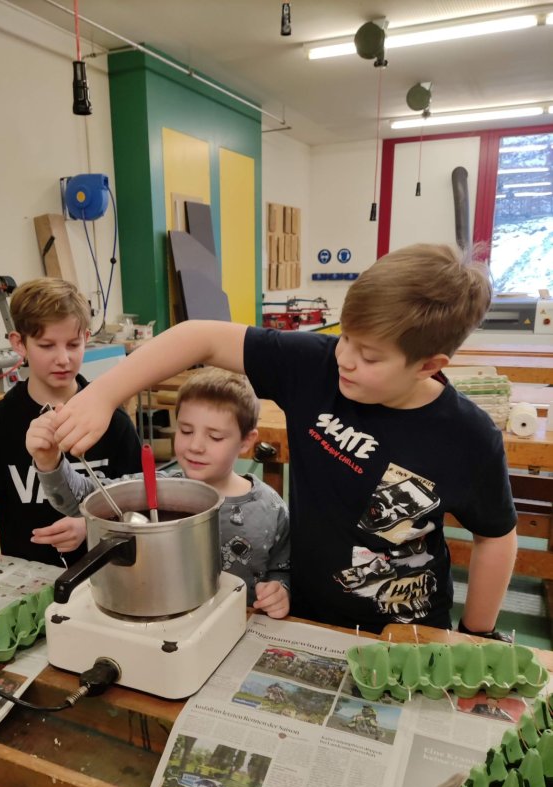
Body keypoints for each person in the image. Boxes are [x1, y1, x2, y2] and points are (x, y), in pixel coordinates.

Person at [47, 244, 517, 634]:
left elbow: (495, 537)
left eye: (370, 356)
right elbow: (198, 337)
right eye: (345, 338)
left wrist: (477, 635)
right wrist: (104, 394)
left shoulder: (468, 437)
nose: (346, 359)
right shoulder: (315, 367)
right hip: (307, 614)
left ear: (429, 365)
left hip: (405, 629)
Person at [27, 367, 290, 617]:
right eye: (186, 430)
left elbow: (283, 569)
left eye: (215, 437)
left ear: (246, 441)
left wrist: (281, 591)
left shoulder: (271, 509)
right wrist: (49, 461)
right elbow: (81, 499)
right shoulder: (155, 487)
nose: (196, 446)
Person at [0, 278, 141, 567]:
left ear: (86, 338)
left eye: (73, 344)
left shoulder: (111, 420)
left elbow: (144, 510)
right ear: (19, 343)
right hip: (27, 580)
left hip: (103, 578)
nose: (63, 359)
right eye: (47, 345)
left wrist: (92, 527)